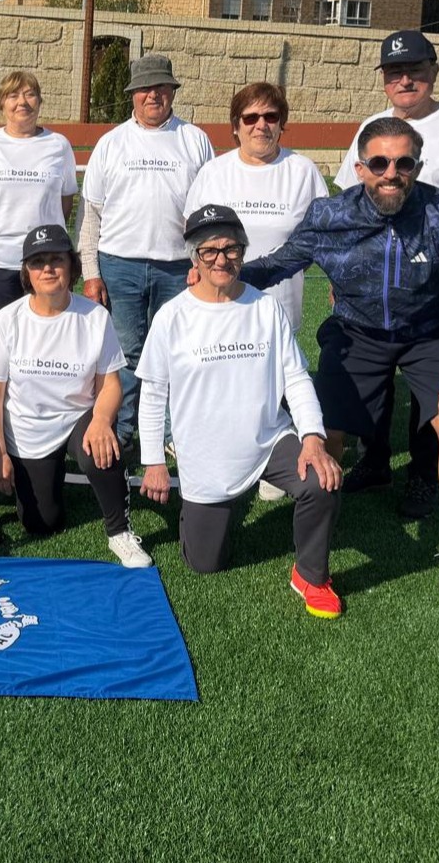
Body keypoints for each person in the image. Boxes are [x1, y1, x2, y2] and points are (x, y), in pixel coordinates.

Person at [244, 118, 439, 596]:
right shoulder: (329, 215)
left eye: (403, 163)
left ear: (418, 167)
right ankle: (321, 535)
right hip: (356, 332)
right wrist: (223, 276)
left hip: (430, 334)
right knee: (326, 431)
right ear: (360, 168)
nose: (391, 173)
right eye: (379, 162)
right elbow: (278, 263)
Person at [139, 205, 344, 617]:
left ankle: (310, 575)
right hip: (206, 456)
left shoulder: (265, 308)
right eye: (210, 250)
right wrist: (153, 461)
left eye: (231, 248)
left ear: (244, 251)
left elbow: (297, 379)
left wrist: (313, 438)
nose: (222, 259)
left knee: (322, 480)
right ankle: (203, 518)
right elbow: (153, 393)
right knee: (206, 563)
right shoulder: (172, 317)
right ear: (194, 257)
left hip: (268, 440)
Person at [329, 30, 439, 517]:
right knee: (370, 388)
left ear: (433, 72)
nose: (405, 80)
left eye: (415, 71)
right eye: (395, 73)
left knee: (432, 394)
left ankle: (422, 477)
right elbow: (347, 204)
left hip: (431, 291)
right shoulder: (372, 125)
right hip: (370, 290)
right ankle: (374, 461)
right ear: (383, 81)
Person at [184, 82, 327, 503]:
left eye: (270, 117)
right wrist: (197, 271)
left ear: (282, 124)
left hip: (280, 302)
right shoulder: (215, 172)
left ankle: (271, 459)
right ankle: (217, 455)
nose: (261, 125)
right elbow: (193, 234)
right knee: (223, 377)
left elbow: (325, 233)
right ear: (236, 126)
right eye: (251, 118)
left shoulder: (302, 171)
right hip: (221, 301)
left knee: (276, 382)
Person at [0, 227, 148, 568]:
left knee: (102, 446)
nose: (48, 269)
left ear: (71, 266)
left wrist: (101, 420)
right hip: (27, 428)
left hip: (77, 419)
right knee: (42, 523)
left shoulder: (94, 316)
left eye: (56, 259)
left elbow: (111, 383)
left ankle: (120, 532)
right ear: (27, 271)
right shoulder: (8, 320)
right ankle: (47, 475)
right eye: (38, 262)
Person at [78, 54, 214, 450]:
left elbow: (208, 212)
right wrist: (91, 271)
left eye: (161, 87)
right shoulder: (111, 143)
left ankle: (171, 432)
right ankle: (122, 429)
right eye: (145, 89)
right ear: (132, 95)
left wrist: (200, 263)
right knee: (126, 355)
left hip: (179, 268)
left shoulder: (194, 140)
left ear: (172, 92)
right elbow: (91, 214)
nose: (153, 95)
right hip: (120, 266)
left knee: (176, 352)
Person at [0, 71, 79, 361]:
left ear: (40, 102)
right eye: (13, 95)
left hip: (44, 264)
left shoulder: (59, 145)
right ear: (1, 103)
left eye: (29, 94)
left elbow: (65, 200)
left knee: (42, 346)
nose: (22, 102)